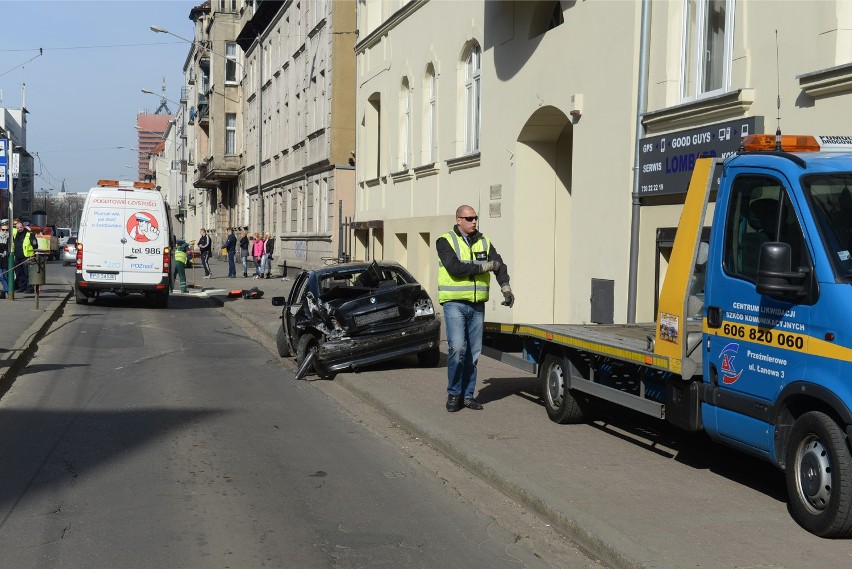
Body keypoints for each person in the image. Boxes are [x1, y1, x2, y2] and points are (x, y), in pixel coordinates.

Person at [436, 205, 514, 412]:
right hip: (454, 303)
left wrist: (506, 289)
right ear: (458, 219)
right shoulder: (445, 241)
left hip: (477, 304)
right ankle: (454, 394)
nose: (473, 222)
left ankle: (467, 396)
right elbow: (455, 268)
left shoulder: (484, 241)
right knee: (457, 349)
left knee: (473, 353)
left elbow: (500, 266)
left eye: (475, 218)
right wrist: (486, 267)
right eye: (469, 218)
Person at [12, 218, 38, 294]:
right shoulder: (15, 234)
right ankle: (22, 287)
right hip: (17, 256)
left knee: (27, 273)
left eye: (20, 227)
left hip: (27, 256)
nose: (19, 229)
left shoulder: (29, 234)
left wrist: (33, 252)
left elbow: (35, 245)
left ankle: (30, 288)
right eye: (18, 228)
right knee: (19, 273)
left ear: (23, 226)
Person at [0, 220, 9, 299]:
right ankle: (7, 290)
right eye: (3, 230)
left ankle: (6, 291)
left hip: (5, 259)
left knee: (5, 275)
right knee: (1, 276)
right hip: (0, 259)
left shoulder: (10, 237)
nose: (5, 231)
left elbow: (9, 247)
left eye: (6, 230)